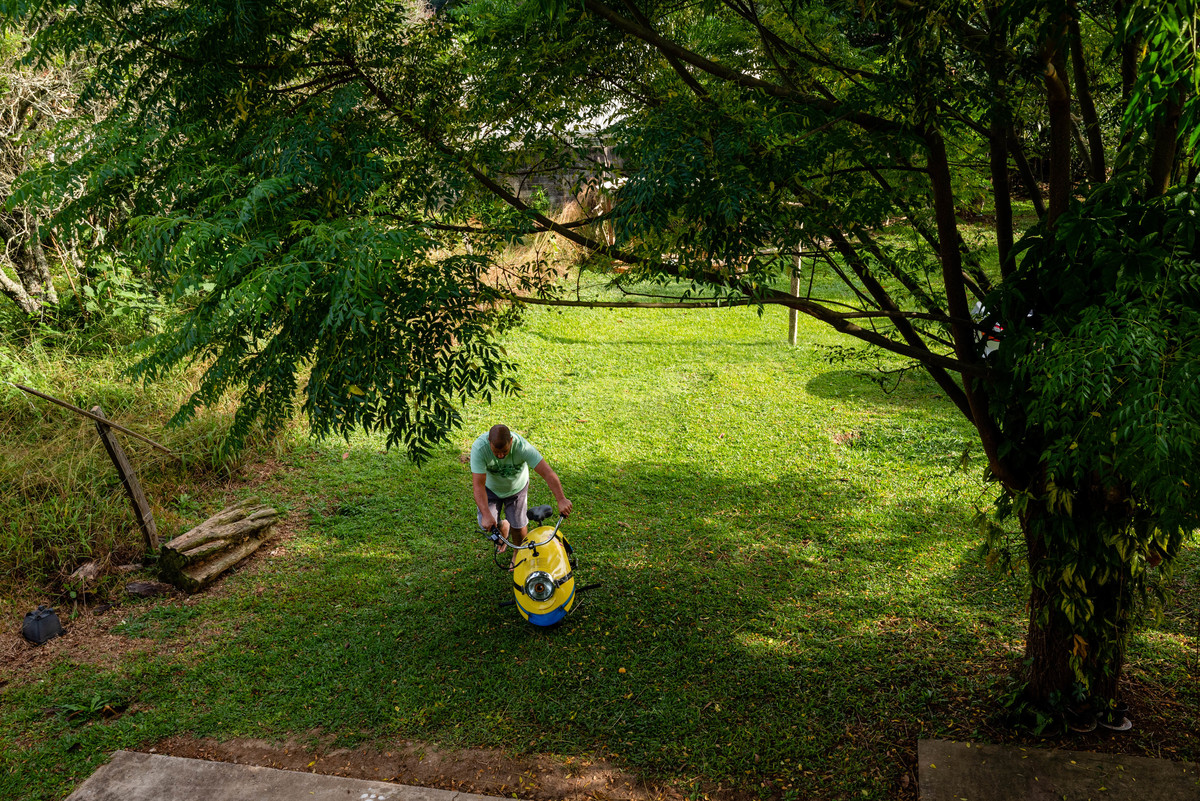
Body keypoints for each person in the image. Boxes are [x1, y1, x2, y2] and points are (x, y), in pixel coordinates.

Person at [470, 424, 572, 552]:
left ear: (511, 441)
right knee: (486, 523)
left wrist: (561, 499)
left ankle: (517, 553)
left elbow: (547, 473)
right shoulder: (479, 448)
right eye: (496, 452)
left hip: (516, 487)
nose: (500, 456)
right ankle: (504, 526)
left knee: (518, 524)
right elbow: (478, 485)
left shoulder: (522, 447)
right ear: (489, 442)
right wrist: (486, 514)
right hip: (491, 488)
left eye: (505, 452)